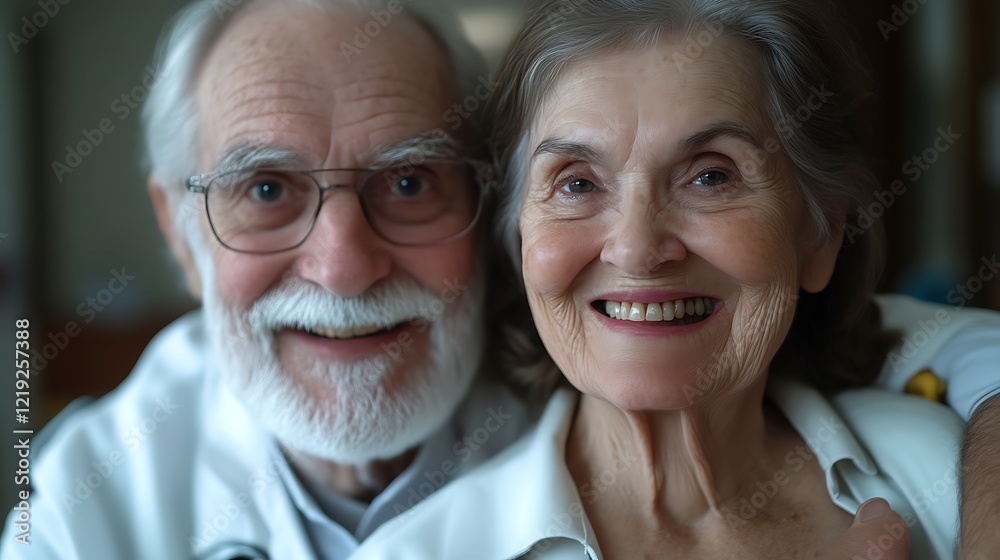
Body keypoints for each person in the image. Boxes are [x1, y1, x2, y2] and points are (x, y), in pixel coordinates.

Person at [353, 0, 1000, 558]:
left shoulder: (958, 479)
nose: (637, 248)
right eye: (576, 183)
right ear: (519, 241)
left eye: (710, 175)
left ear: (820, 235)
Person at [0, 1, 536, 558]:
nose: (343, 272)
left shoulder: (599, 462)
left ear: (486, 202)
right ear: (182, 236)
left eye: (408, 183)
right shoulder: (84, 510)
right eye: (267, 190)